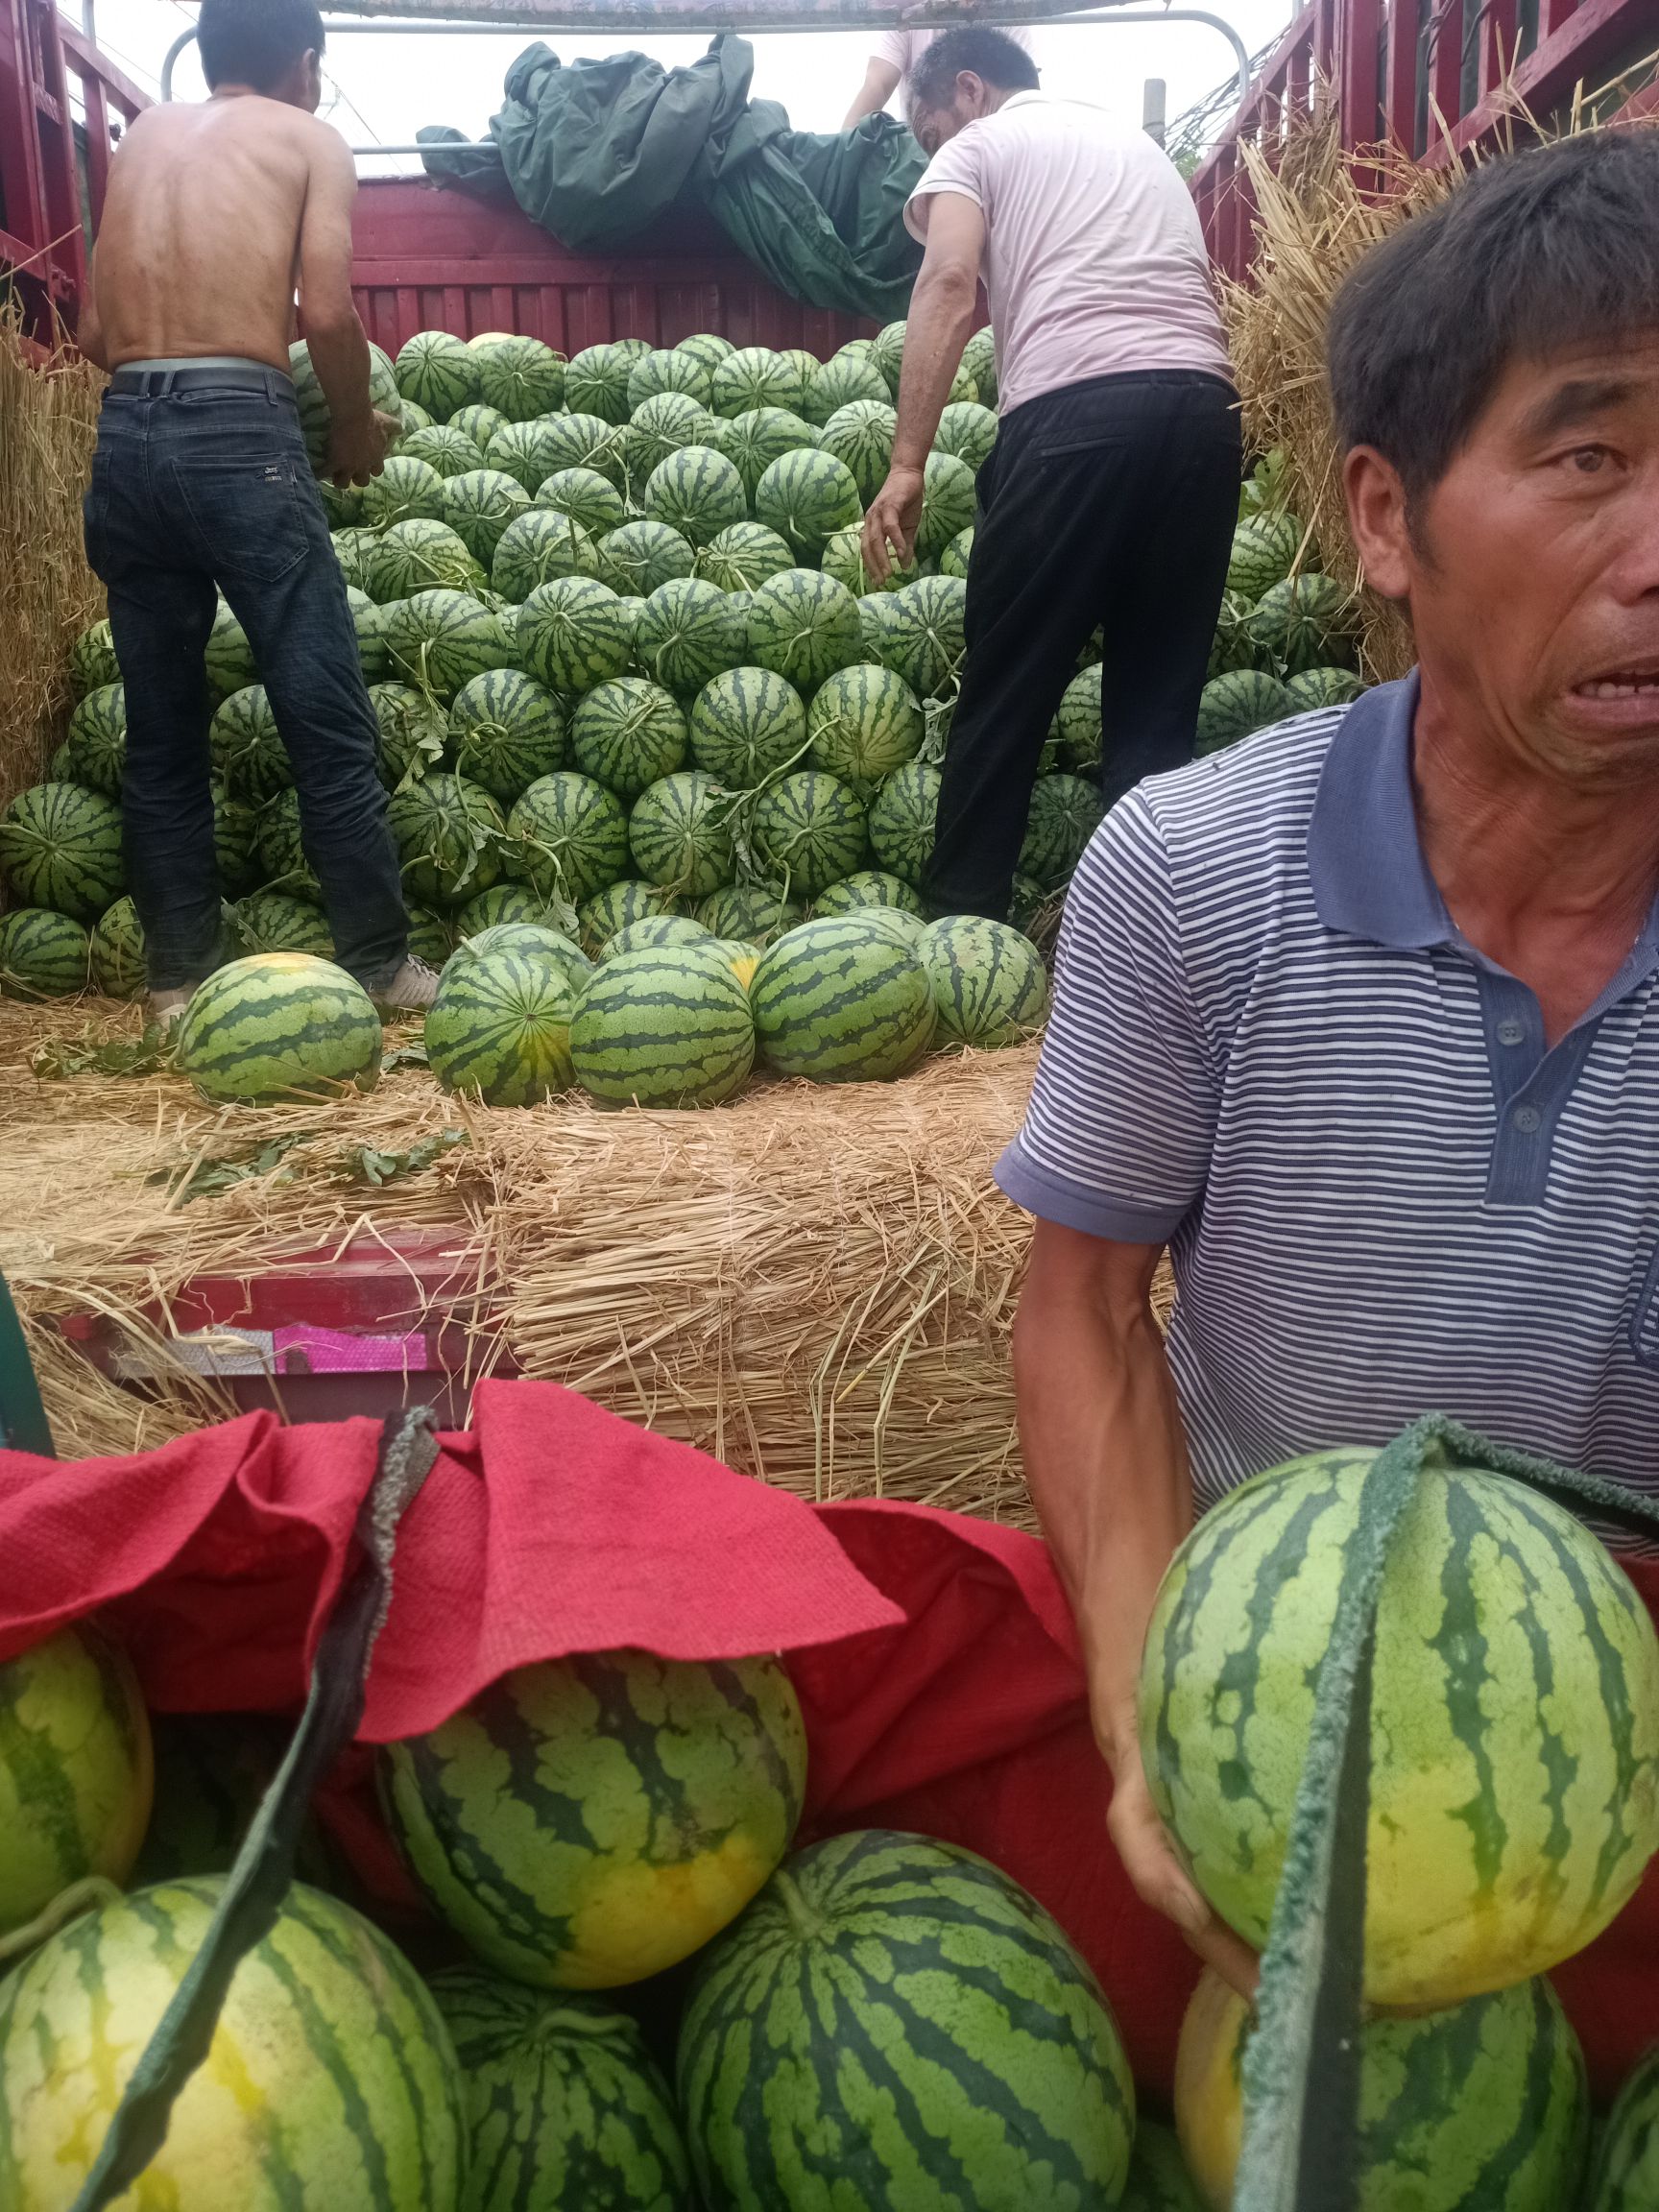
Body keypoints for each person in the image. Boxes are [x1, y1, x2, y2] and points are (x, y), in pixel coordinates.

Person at [998, 129, 1659, 2001]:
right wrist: (1149, 1725)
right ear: (1385, 521)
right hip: (1291, 1711)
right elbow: (1083, 1312)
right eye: (1591, 458)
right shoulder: (1195, 875)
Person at [76, 0, 435, 1024]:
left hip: (125, 434)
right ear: (308, 65)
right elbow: (326, 311)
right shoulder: (310, 137)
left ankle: (177, 983)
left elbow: (97, 329)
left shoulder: (141, 135)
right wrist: (354, 424)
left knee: (161, 732)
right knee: (322, 712)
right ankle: (378, 964)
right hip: (239, 433)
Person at [860, 27, 1238, 924]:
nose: (933, 154)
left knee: (1007, 683)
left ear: (969, 90)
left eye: (929, 134)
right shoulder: (1133, 146)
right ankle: (1143, 949)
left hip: (1076, 416)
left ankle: (963, 929)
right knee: (1155, 712)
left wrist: (908, 460)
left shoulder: (982, 145)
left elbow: (950, 281)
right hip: (1206, 416)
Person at [840, 22, 1035, 131]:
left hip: (992, 142)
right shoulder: (907, 13)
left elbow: (1022, 97)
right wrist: (844, 152)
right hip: (923, 148)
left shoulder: (1008, 13)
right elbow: (877, 84)